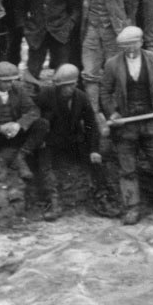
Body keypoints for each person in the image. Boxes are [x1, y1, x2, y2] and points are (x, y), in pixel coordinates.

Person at [100, 26, 153, 225]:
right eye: (126, 47)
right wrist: (113, 113)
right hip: (126, 125)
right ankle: (132, 207)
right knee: (127, 169)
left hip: (151, 123)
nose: (130, 50)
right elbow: (105, 93)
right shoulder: (112, 64)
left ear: (140, 42)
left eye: (133, 45)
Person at [35, 64, 119, 221]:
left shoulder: (81, 97)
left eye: (70, 85)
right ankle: (53, 202)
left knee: (96, 161)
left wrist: (94, 149)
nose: (67, 89)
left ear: (75, 84)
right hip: (49, 140)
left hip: (73, 139)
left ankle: (101, 199)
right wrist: (38, 139)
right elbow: (34, 117)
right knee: (44, 165)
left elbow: (91, 125)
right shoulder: (45, 94)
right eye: (63, 86)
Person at [75, 0, 136, 120]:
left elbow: (131, 1)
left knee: (116, 69)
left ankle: (116, 111)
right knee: (90, 71)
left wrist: (124, 24)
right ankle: (94, 113)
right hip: (91, 28)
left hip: (114, 29)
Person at [0, 61, 49, 181]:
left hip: (16, 132)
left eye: (12, 80)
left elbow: (33, 110)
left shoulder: (18, 89)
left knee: (42, 124)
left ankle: (21, 156)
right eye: (5, 81)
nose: (10, 84)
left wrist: (19, 124)